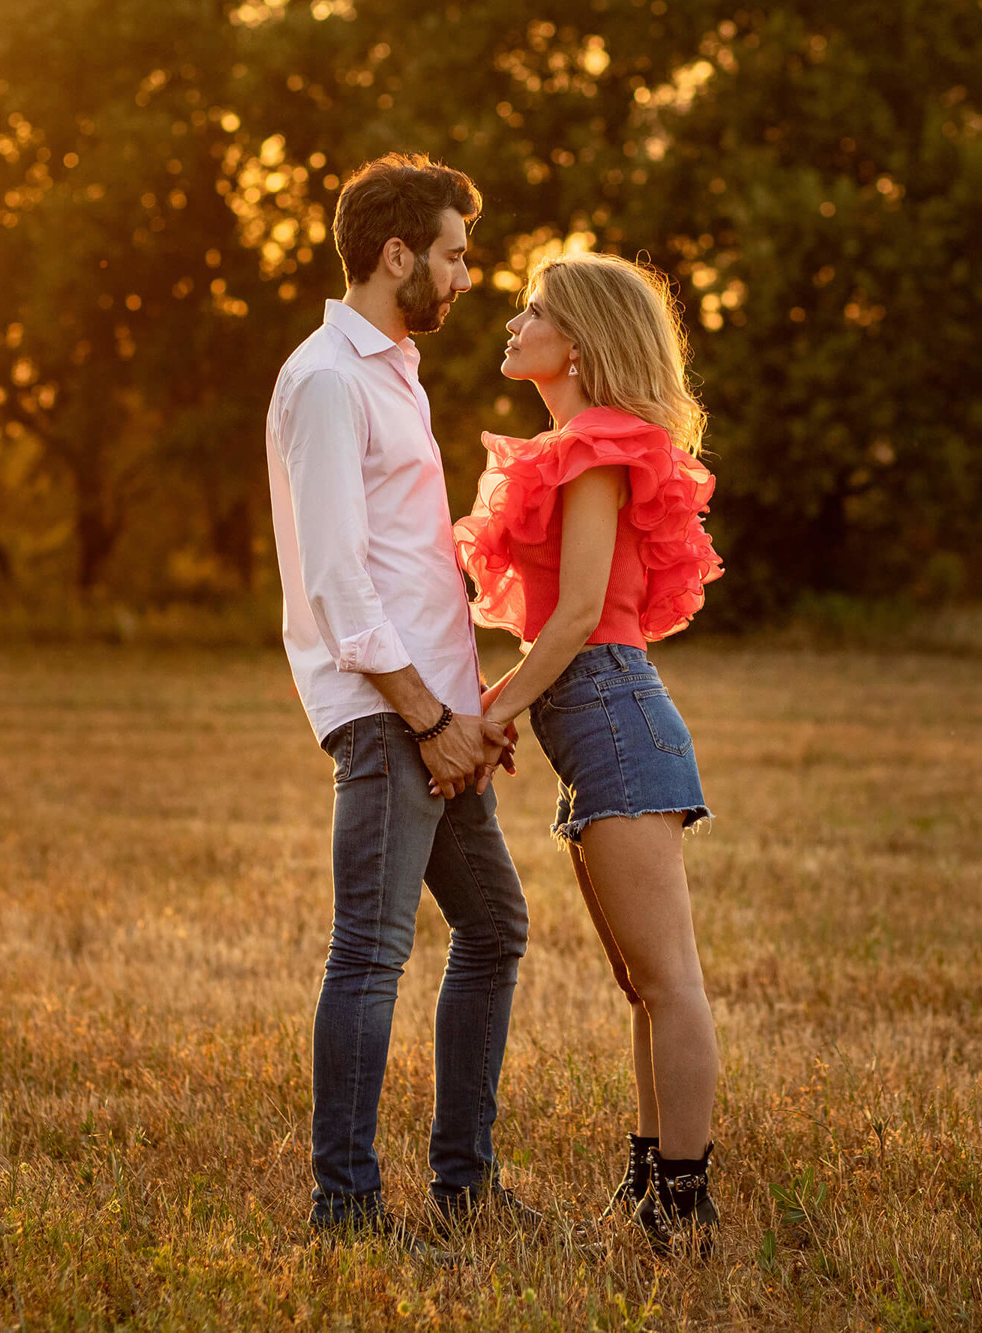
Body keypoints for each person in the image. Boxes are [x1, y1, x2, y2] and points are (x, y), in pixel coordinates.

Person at [265, 153, 534, 1256]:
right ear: (395, 256)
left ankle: (463, 1184)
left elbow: (412, 563)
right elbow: (336, 581)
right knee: (369, 952)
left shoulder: (394, 371)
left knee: (494, 925)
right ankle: (344, 1205)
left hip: (433, 708)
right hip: (386, 715)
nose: (468, 276)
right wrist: (428, 717)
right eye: (456, 255)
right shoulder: (327, 378)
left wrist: (465, 709)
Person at [452, 250, 724, 1255]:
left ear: (577, 340)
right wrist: (513, 703)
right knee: (641, 986)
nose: (512, 324)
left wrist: (492, 710)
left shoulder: (597, 450)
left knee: (669, 982)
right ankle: (650, 1185)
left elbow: (570, 621)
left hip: (611, 713)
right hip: (599, 723)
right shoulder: (572, 446)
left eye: (532, 312)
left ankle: (684, 1208)